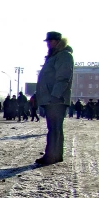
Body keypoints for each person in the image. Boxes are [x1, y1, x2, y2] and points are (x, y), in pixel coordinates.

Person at [35, 31, 74, 166]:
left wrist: (54, 96)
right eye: (47, 41)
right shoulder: (54, 56)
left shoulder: (64, 55)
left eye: (51, 41)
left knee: (54, 129)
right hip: (51, 99)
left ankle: (51, 156)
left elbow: (63, 78)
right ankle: (54, 155)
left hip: (56, 100)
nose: (48, 44)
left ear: (58, 41)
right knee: (54, 128)